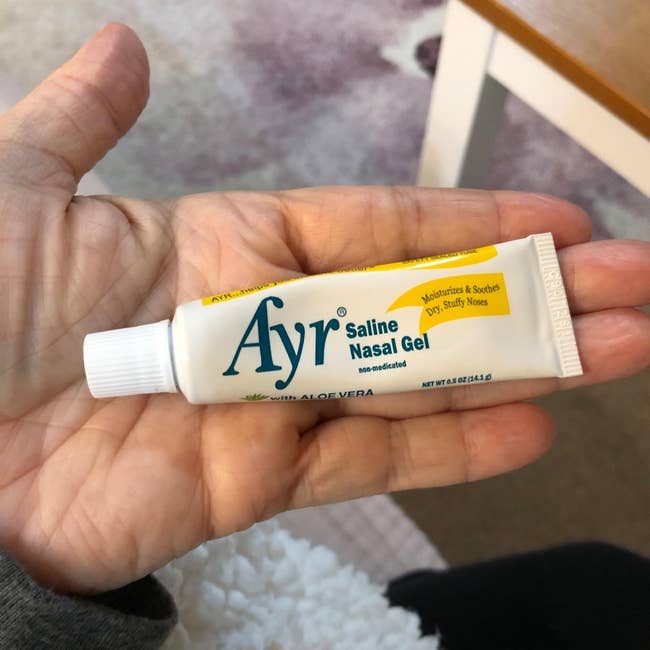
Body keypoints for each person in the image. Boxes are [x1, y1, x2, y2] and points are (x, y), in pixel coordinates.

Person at [0, 23, 648, 649]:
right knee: (602, 584)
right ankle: (411, 595)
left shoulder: (193, 345)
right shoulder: (196, 361)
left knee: (599, 583)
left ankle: (411, 595)